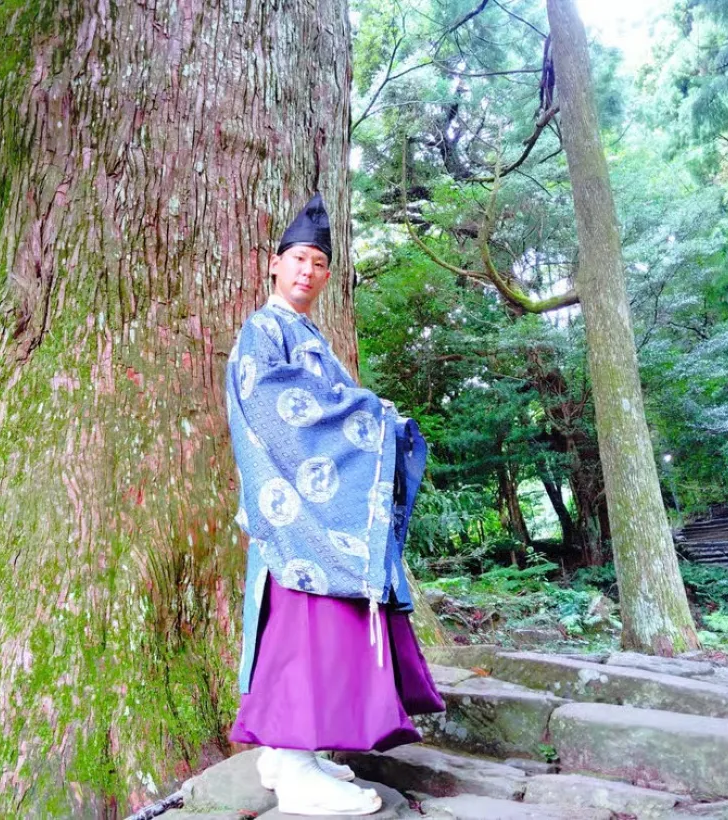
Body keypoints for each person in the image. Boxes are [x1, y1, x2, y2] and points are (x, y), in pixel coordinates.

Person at [224, 194, 445, 816]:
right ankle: (292, 767)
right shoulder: (262, 330)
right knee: (304, 631)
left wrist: (381, 421)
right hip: (294, 514)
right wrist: (367, 415)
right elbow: (270, 406)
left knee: (320, 632)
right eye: (298, 258)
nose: (307, 271)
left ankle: (291, 751)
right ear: (273, 264)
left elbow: (337, 404)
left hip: (323, 511)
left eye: (319, 263)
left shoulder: (310, 333)